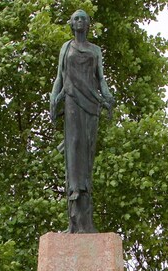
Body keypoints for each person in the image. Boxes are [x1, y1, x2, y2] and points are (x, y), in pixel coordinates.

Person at [50, 9, 114, 234]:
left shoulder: (95, 50)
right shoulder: (65, 48)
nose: (79, 21)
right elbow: (59, 76)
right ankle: (74, 215)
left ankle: (85, 216)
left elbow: (101, 79)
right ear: (71, 24)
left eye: (83, 19)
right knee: (73, 146)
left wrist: (107, 97)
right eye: (76, 18)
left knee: (86, 153)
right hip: (70, 101)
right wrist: (52, 98)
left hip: (91, 104)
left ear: (88, 24)